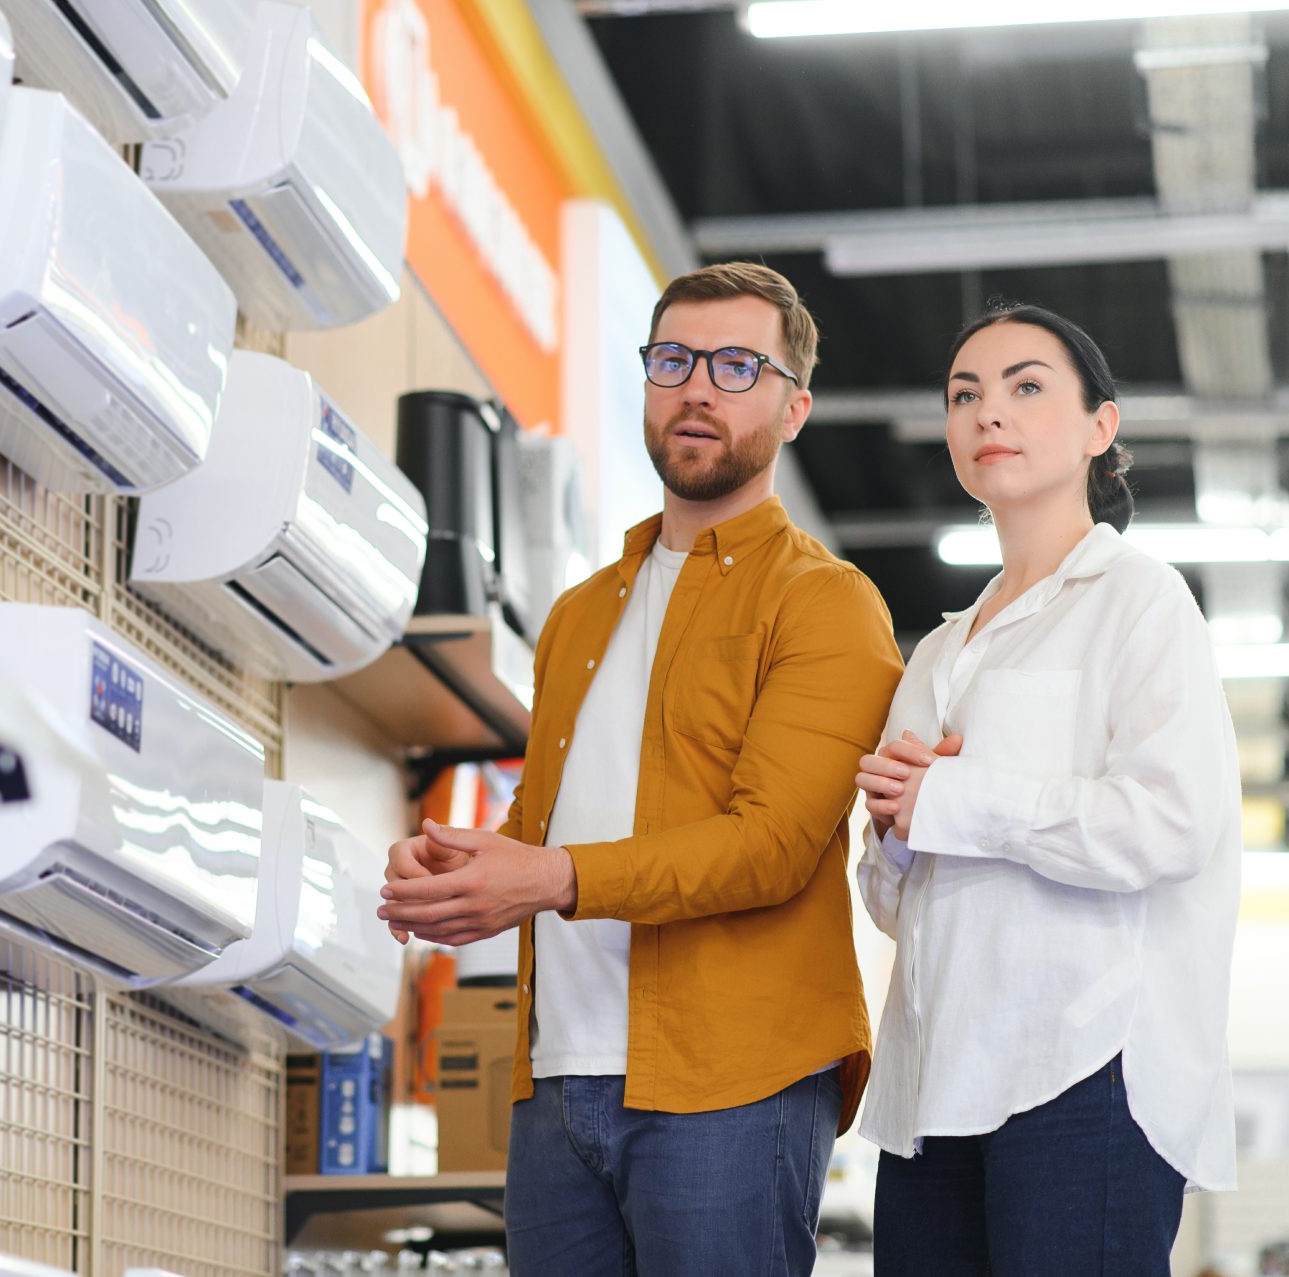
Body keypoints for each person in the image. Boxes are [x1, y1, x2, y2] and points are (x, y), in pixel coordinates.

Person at [378, 262, 904, 1274]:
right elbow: (544, 816)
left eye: (736, 365)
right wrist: (462, 864)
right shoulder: (581, 611)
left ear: (794, 407)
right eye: (673, 360)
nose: (697, 387)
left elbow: (774, 846)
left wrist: (550, 876)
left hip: (731, 1082)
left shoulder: (826, 602)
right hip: (555, 1079)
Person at [854, 303, 1241, 1275]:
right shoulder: (937, 650)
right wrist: (893, 833)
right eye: (965, 395)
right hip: (933, 1082)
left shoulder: (1140, 600)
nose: (991, 412)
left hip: (1086, 1067)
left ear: (1099, 427)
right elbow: (900, 903)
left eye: (1027, 386)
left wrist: (953, 795)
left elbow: (1169, 823)